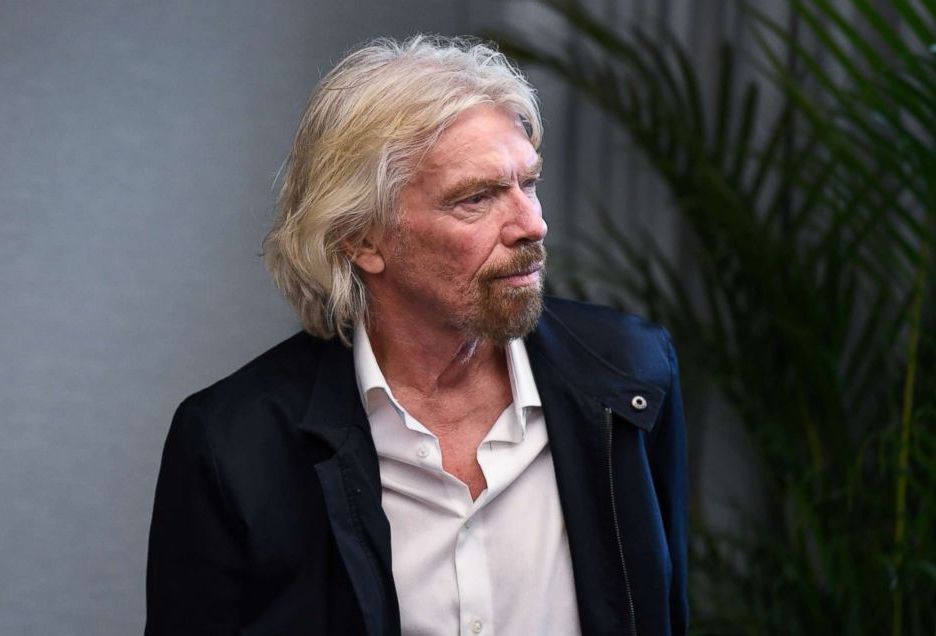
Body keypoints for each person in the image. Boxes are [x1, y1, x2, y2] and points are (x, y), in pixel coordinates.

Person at [145, 35, 688, 636]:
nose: (533, 224)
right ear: (361, 240)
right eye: (476, 198)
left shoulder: (630, 375)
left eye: (527, 183)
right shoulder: (234, 443)